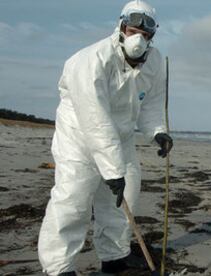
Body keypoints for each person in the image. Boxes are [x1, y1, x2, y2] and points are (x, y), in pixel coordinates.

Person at [37, 1, 173, 275]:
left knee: (124, 200)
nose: (139, 39)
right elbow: (95, 119)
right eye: (134, 30)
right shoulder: (91, 60)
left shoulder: (156, 62)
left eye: (146, 35)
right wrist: (112, 171)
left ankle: (114, 258)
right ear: (122, 27)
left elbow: (151, 103)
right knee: (73, 201)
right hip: (79, 138)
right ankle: (59, 268)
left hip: (120, 139)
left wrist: (157, 132)